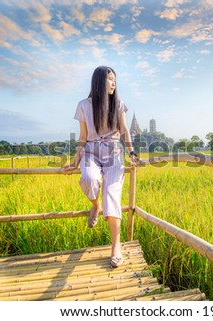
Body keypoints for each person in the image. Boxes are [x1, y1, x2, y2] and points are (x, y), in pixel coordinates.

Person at [62, 66, 139, 268]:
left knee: (112, 195)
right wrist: (75, 162)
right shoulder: (83, 105)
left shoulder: (119, 104)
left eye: (115, 79)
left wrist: (132, 153)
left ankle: (116, 247)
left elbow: (124, 132)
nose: (114, 83)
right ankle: (96, 205)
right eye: (110, 79)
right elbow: (83, 137)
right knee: (88, 179)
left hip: (114, 151)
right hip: (91, 151)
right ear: (99, 82)